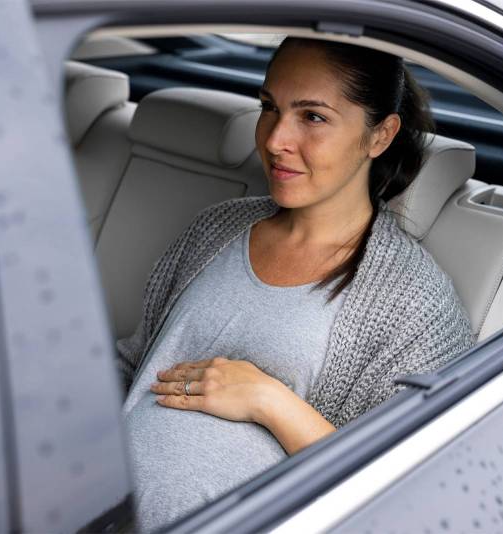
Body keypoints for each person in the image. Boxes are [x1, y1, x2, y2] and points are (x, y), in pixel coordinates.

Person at [116, 36, 476, 532]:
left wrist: (271, 402)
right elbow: (134, 366)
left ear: (380, 135)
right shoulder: (215, 229)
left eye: (313, 116)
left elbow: (404, 492)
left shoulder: (414, 305)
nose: (274, 139)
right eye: (269, 107)